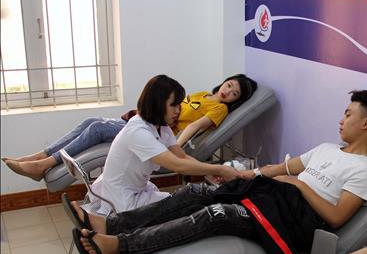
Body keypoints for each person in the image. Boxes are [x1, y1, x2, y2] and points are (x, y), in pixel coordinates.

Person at [63, 90, 367, 254]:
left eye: (348, 114)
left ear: (366, 123)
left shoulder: (365, 171)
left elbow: (335, 218)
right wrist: (242, 175)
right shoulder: (326, 149)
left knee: (216, 215)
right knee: (195, 192)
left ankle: (121, 246)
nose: (341, 119)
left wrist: (299, 185)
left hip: (296, 223)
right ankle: (111, 223)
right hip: (273, 198)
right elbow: (278, 169)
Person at [1, 73, 257, 181]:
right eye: (229, 85)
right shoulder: (202, 94)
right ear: (224, 81)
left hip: (163, 133)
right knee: (91, 122)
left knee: (96, 129)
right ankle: (41, 158)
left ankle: (43, 163)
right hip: (153, 125)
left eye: (234, 93)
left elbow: (193, 128)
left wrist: (174, 148)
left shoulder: (219, 109)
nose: (228, 91)